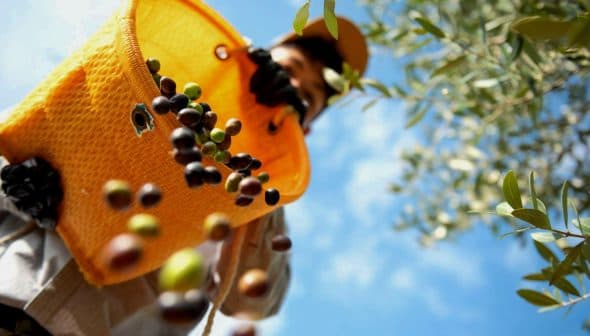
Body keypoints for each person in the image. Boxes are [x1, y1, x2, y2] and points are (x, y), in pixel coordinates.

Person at [0, 13, 368, 336]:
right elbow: (18, 137)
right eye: (289, 70)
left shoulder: (252, 211)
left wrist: (271, 164)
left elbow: (252, 302)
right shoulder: (145, 100)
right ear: (248, 58)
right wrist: (12, 185)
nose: (294, 88)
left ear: (307, 130)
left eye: (308, 97)